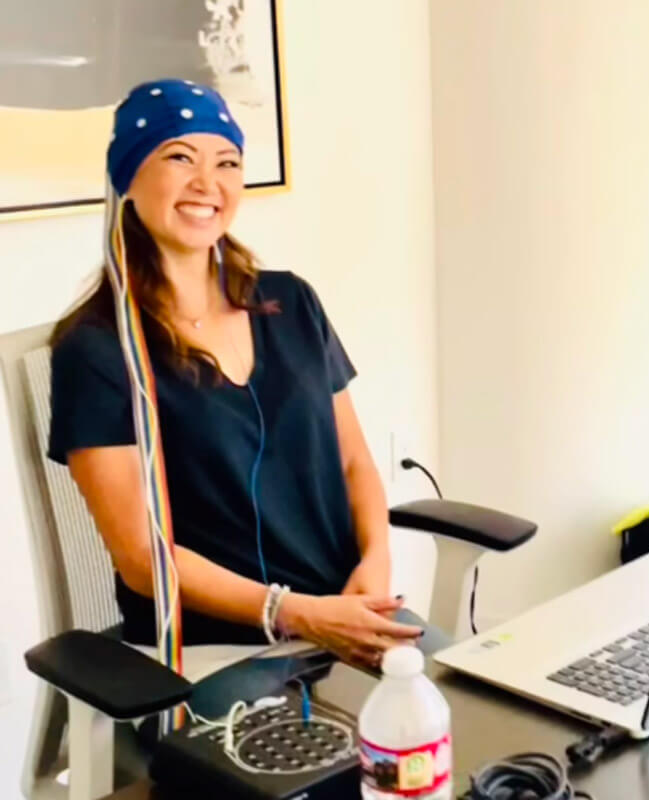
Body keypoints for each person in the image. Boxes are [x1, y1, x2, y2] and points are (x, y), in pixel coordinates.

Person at [48, 79, 427, 668]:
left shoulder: (292, 302)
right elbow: (143, 558)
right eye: (180, 157)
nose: (208, 184)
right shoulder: (97, 349)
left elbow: (355, 461)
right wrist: (292, 612)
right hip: (212, 650)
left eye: (227, 162)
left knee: (494, 729)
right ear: (127, 177)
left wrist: (373, 569)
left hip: (347, 618)